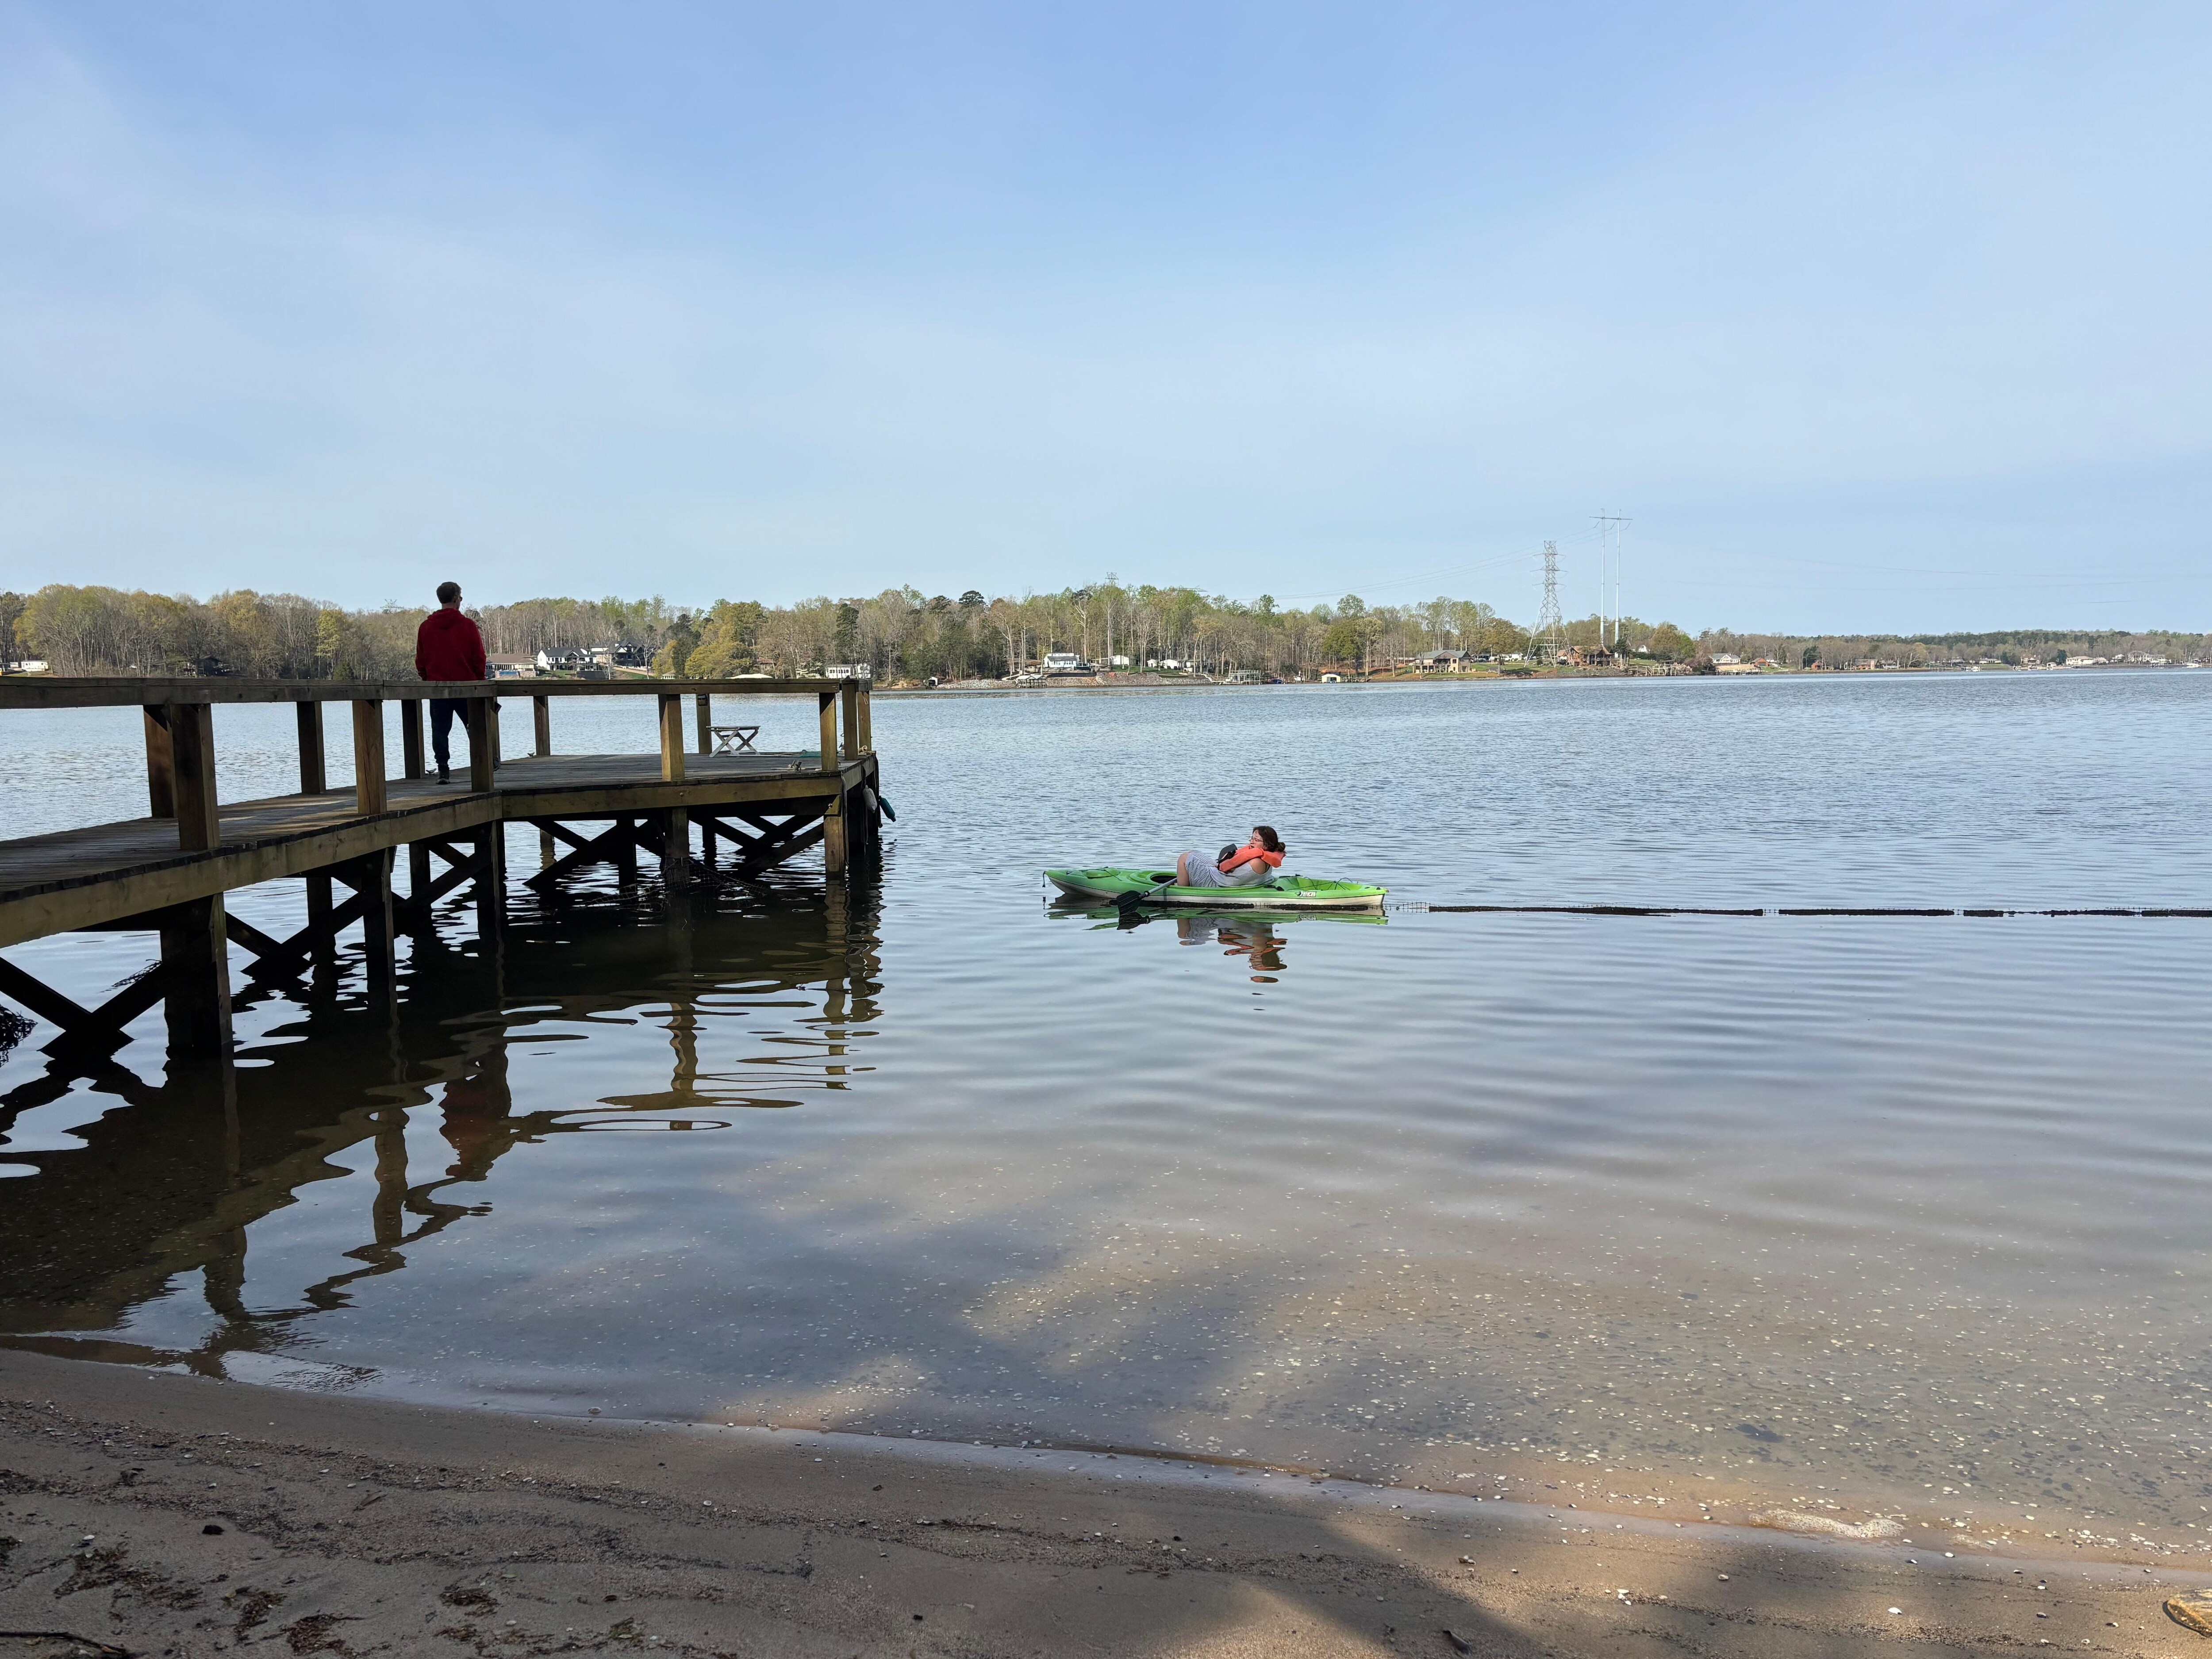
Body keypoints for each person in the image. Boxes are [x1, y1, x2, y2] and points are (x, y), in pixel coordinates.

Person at [414, 581, 488, 785]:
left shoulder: (426, 627)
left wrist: (427, 679)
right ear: (456, 600)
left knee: (440, 731)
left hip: (438, 688)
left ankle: (443, 771)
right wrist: (479, 680)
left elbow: (421, 659)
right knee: (476, 727)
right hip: (466, 687)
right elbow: (479, 658)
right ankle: (484, 765)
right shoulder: (468, 626)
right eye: (461, 598)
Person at [1174, 826, 1286, 888]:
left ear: (1266, 845)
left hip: (1218, 883)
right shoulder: (1267, 858)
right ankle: (1186, 879)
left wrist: (1222, 865)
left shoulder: (1257, 862)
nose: (1251, 842)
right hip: (1221, 875)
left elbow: (1230, 880)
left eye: (1256, 840)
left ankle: (1183, 892)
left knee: (1185, 858)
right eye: (1251, 838)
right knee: (1194, 853)